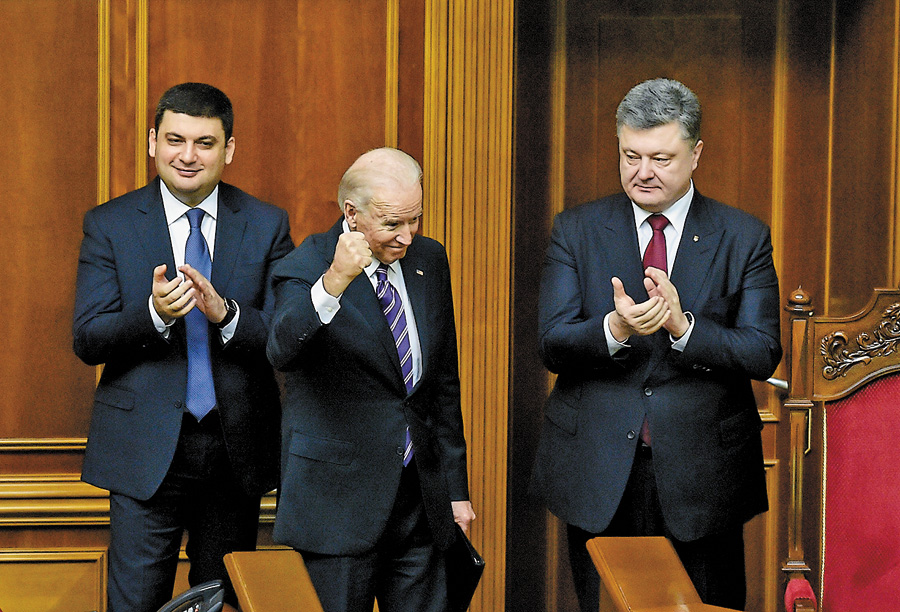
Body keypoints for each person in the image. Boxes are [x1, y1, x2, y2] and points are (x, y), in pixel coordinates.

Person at [531, 78, 782, 611]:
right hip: (599, 470)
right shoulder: (576, 229)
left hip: (703, 475)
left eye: (661, 158)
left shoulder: (744, 236)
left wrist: (684, 328)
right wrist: (615, 330)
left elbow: (762, 351)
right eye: (630, 156)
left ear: (696, 154)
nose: (642, 172)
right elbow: (551, 343)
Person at [73, 82, 294, 612]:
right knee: (135, 604)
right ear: (152, 142)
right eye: (175, 140)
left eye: (205, 143)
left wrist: (228, 316)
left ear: (229, 149)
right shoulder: (110, 224)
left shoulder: (266, 224)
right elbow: (87, 337)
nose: (188, 156)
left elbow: (287, 337)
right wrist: (153, 314)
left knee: (224, 602)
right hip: (142, 452)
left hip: (233, 450)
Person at [267, 147, 476, 612]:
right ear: (352, 214)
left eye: (415, 219)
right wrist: (334, 281)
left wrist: (455, 490)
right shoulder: (307, 264)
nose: (406, 236)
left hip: (420, 500)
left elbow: (441, 382)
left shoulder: (429, 259)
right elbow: (282, 350)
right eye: (391, 223)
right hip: (337, 505)